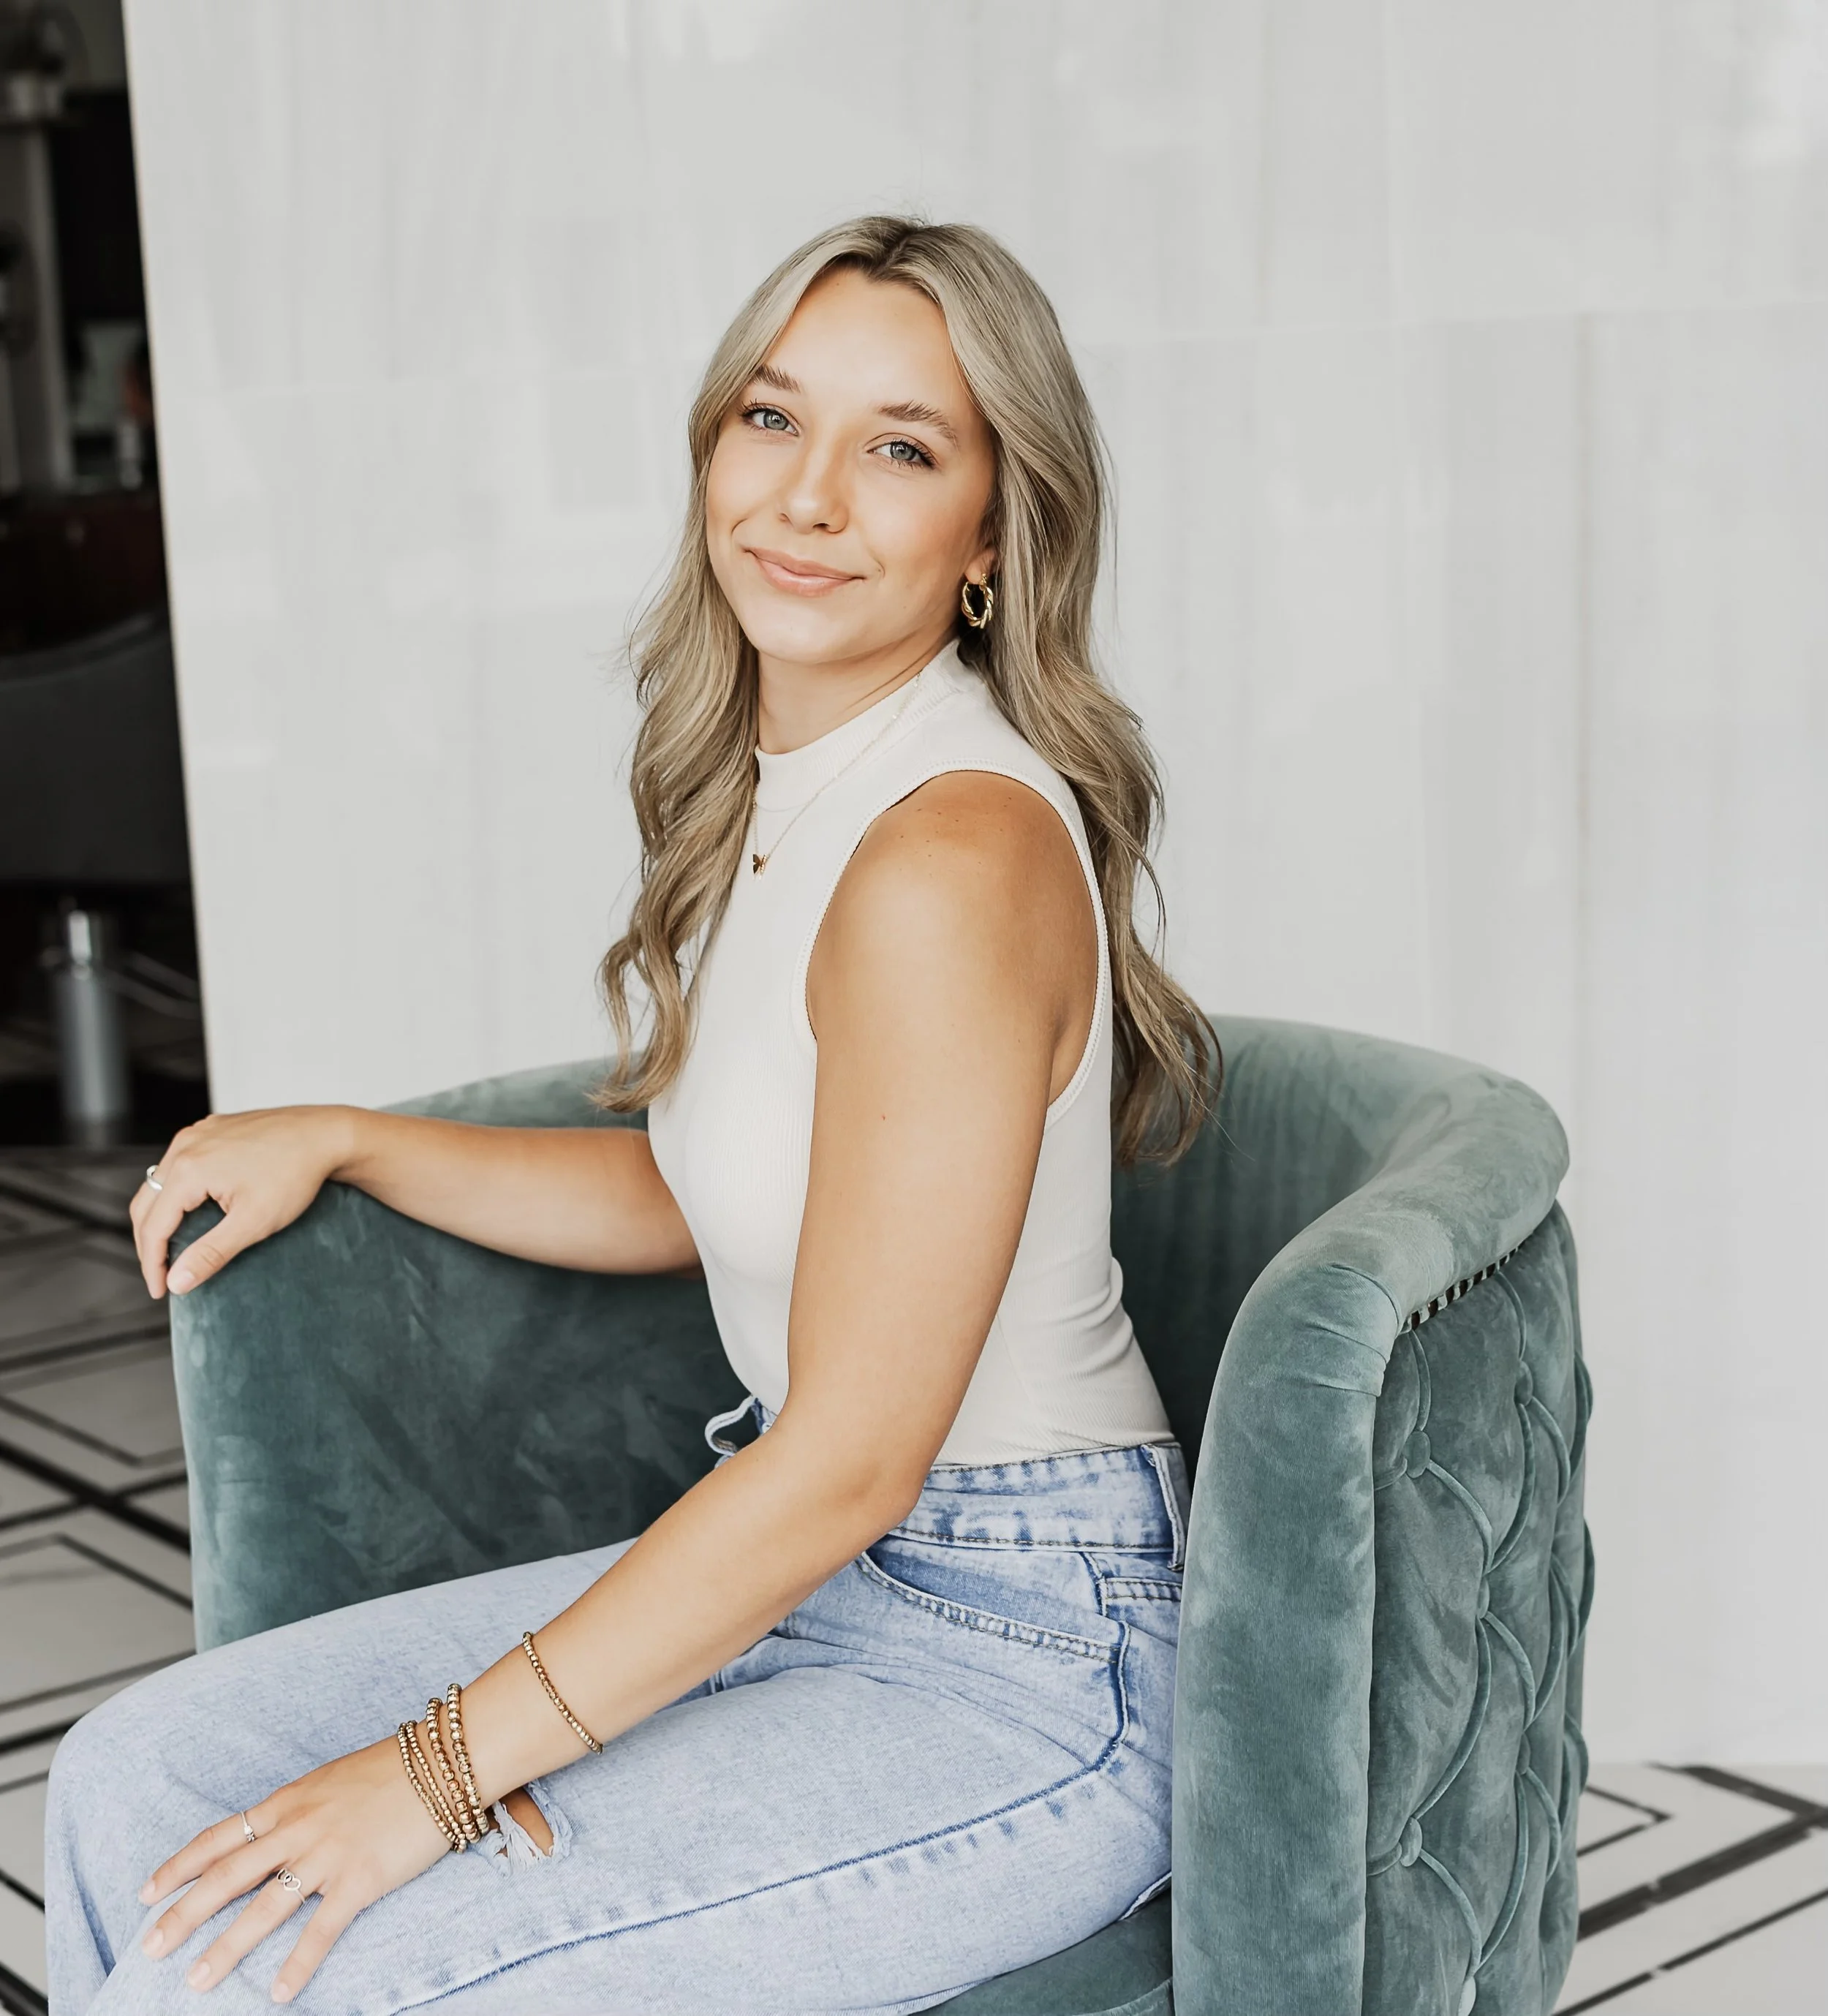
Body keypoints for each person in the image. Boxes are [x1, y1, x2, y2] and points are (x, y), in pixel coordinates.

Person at [44, 215, 1220, 2015]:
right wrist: (354, 1135)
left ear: (991, 538)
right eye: (771, 420)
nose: (809, 495)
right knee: (135, 1784)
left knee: (309, 1967)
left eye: (900, 448)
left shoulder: (947, 851)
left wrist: (431, 1780)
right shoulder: (796, 786)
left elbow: (850, 1459)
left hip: (1021, 1655)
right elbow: (714, 1192)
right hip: (810, 1574)